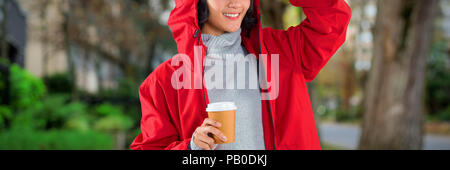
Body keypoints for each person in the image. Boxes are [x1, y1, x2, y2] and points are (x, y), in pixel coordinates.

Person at [130, 0, 351, 150]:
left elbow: (333, 18)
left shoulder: (284, 52)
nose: (236, 3)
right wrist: (191, 147)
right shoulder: (162, 83)